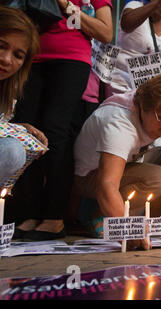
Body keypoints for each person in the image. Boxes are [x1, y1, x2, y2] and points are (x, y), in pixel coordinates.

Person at [9, 0, 113, 241]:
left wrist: (66, 5)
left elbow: (106, 32)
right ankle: (30, 213)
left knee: (55, 130)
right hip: (31, 58)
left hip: (71, 58)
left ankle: (55, 218)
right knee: (27, 133)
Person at [73, 74, 161, 249]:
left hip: (127, 162)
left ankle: (149, 221)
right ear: (145, 105)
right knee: (158, 178)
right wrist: (127, 229)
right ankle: (104, 219)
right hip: (88, 176)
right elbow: (107, 185)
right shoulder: (120, 124)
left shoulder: (146, 109)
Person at [0, 7, 47, 188]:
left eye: (18, 55)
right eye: (1, 46)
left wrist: (17, 129)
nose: (6, 59)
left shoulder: (9, 90)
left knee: (14, 149)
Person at [107, 0, 161, 96]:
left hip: (149, 92)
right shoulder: (134, 6)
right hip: (122, 86)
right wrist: (157, 3)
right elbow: (126, 25)